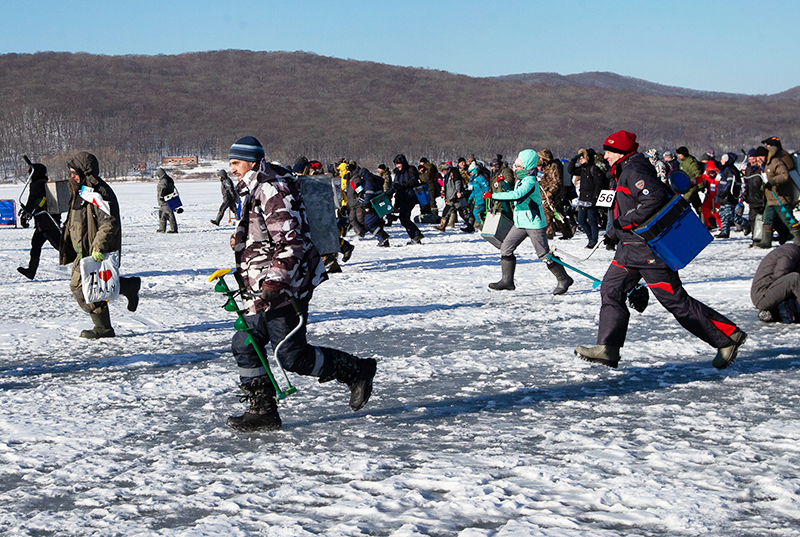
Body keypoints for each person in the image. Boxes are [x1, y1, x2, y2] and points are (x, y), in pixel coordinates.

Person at [225, 136, 377, 432]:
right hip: (260, 283)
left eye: (236, 163)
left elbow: (291, 242)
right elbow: (269, 234)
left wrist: (274, 283)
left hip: (284, 286)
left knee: (291, 356)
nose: (232, 169)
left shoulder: (273, 188)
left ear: (253, 162)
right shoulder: (256, 187)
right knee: (246, 342)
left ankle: (356, 370)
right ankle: (263, 410)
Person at [575, 131, 747, 370]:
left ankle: (727, 338)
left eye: (610, 150)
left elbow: (653, 198)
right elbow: (626, 207)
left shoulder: (634, 170)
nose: (605, 155)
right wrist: (615, 232)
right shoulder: (623, 171)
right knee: (611, 289)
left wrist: (625, 223)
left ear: (622, 152)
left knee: (676, 302)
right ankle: (608, 348)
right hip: (629, 249)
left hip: (648, 252)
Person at [59, 151, 141, 338]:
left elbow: (108, 223)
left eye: (74, 172)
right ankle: (128, 287)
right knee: (92, 286)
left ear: (84, 172)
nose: (71, 176)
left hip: (94, 250)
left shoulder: (99, 192)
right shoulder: (80, 191)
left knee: (81, 287)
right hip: (83, 250)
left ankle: (103, 328)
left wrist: (99, 248)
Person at [487, 149, 573, 295]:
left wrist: (496, 196)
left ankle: (564, 278)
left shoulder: (530, 181)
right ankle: (507, 281)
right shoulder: (521, 180)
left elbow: (518, 195)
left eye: (519, 166)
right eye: (516, 166)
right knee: (506, 248)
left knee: (544, 255)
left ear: (527, 167)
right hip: (520, 222)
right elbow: (513, 192)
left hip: (533, 223)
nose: (516, 169)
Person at [17, 162, 61, 280]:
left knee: (60, 246)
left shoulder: (36, 185)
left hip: (46, 223)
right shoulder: (46, 183)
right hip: (46, 221)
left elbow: (32, 202)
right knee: (36, 244)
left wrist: (25, 216)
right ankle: (31, 271)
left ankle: (83, 264)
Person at [757, 138, 800, 248]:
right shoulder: (764, 165)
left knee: (788, 218)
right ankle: (766, 241)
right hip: (770, 198)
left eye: (760, 157)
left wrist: (773, 181)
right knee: (767, 219)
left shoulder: (776, 162)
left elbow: (784, 175)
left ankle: (799, 238)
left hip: (781, 197)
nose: (758, 159)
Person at [751, 243, 800, 323]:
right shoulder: (790, 253)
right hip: (763, 296)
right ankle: (771, 310)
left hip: (769, 293)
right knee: (794, 279)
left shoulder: (794, 253)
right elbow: (780, 276)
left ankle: (772, 313)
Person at [568, 148, 605, 248]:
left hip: (591, 198)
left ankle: (594, 240)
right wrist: (574, 158)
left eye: (582, 158)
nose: (580, 160)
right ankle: (590, 238)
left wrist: (595, 198)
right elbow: (570, 170)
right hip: (583, 198)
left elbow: (599, 184)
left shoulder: (594, 168)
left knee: (592, 220)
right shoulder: (583, 169)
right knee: (581, 220)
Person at [391, 154, 424, 244]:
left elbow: (414, 180)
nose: (398, 166)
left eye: (399, 163)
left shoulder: (410, 169)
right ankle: (415, 237)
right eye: (396, 164)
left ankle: (416, 235)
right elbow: (395, 186)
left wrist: (403, 185)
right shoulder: (398, 173)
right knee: (404, 218)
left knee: (404, 218)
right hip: (401, 197)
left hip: (410, 197)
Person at [676, 146, 706, 226]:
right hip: (687, 187)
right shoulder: (683, 162)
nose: (678, 156)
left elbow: (698, 173)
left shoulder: (691, 162)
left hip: (692, 187)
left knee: (683, 204)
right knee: (698, 205)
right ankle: (706, 222)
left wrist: (701, 186)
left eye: (679, 154)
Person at [714, 153, 742, 238]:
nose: (721, 162)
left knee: (729, 215)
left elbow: (730, 183)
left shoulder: (731, 171)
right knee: (723, 214)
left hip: (728, 197)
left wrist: (725, 191)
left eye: (723, 160)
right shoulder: (725, 171)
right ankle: (725, 231)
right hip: (723, 197)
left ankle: (745, 223)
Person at [155, 168, 178, 233]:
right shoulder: (168, 179)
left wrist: (162, 196)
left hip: (165, 200)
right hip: (166, 200)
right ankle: (162, 228)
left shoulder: (164, 180)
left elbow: (164, 188)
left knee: (169, 214)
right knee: (162, 214)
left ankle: (174, 229)